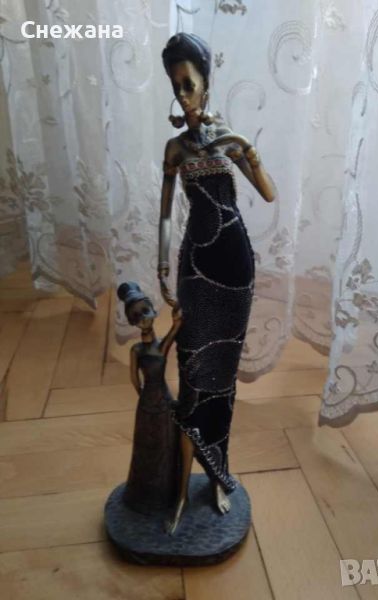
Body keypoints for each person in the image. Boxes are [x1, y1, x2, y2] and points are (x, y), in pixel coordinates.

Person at [158, 33, 275, 534]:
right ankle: (182, 488)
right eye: (176, 87)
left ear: (207, 84)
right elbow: (167, 216)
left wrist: (246, 148)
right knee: (191, 377)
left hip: (234, 266)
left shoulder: (230, 139)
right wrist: (161, 270)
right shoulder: (174, 149)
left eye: (189, 84)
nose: (183, 96)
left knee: (223, 380)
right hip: (195, 267)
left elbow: (268, 194)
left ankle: (219, 474)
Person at [117, 281, 182, 516]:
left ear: (154, 310)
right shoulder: (137, 350)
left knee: (166, 444)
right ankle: (145, 494)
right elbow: (134, 379)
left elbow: (175, 329)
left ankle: (167, 492)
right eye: (136, 316)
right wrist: (144, 398)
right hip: (149, 405)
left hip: (162, 402)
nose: (143, 319)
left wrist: (178, 314)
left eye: (145, 311)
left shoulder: (160, 346)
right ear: (132, 321)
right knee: (146, 448)